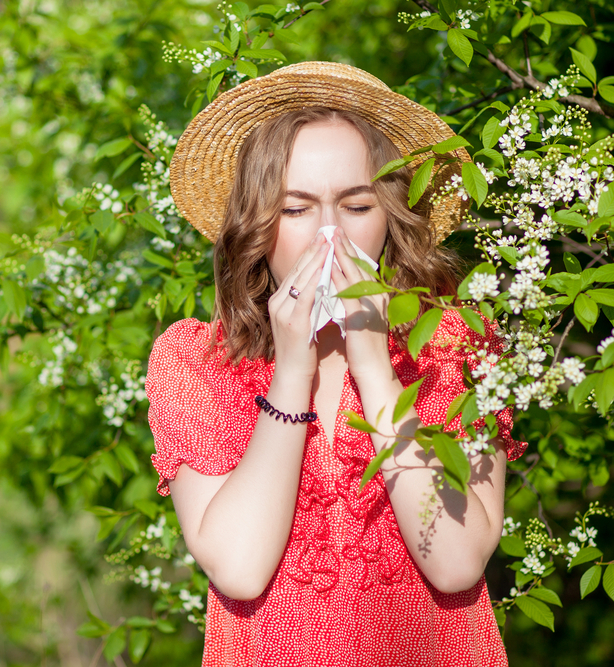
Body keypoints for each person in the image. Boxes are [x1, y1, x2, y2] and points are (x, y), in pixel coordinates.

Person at [145, 62, 527, 666]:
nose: (329, 235)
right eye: (296, 210)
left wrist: (374, 365)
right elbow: (239, 569)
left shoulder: (458, 345)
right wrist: (293, 371)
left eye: (354, 206)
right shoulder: (195, 362)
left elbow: (456, 563)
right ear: (257, 226)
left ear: (391, 217)